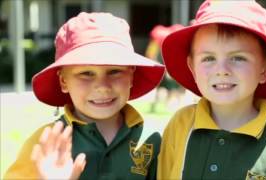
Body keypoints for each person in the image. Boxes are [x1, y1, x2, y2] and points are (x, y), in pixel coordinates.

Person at [157, 1, 266, 179]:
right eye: (209, 58)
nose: (222, 69)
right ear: (192, 67)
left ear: (265, 68)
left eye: (238, 58)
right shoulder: (180, 125)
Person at [4, 12, 165, 180]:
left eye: (114, 71)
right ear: (64, 81)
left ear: (131, 75)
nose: (103, 87)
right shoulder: (45, 144)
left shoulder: (151, 139)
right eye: (86, 73)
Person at [145, 24, 185, 113]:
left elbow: (150, 54)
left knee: (165, 88)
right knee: (171, 89)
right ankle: (168, 107)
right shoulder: (162, 40)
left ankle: (162, 107)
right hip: (166, 69)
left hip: (164, 69)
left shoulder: (157, 39)